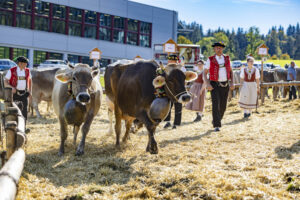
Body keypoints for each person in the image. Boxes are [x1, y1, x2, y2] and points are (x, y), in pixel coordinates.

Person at [203, 41, 234, 132]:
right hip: (214, 84)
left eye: (220, 48)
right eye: (216, 48)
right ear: (214, 49)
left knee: (223, 106)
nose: (218, 49)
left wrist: (232, 82)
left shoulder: (227, 59)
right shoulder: (210, 59)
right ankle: (217, 125)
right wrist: (207, 84)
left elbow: (231, 71)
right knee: (215, 105)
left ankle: (217, 119)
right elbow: (205, 73)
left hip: (225, 84)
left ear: (222, 49)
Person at [4, 56, 32, 132]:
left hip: (24, 93)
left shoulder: (27, 71)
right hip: (14, 94)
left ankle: (23, 128)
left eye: (26, 64)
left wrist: (30, 91)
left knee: (24, 111)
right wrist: (11, 87)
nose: (26, 65)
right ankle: (14, 128)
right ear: (20, 63)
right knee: (15, 111)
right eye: (25, 64)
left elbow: (29, 80)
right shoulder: (11, 70)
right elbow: (5, 81)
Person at [164, 54, 185, 129]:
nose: (170, 61)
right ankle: (167, 121)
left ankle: (176, 123)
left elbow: (184, 77)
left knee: (178, 106)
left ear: (176, 61)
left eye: (173, 60)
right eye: (170, 60)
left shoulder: (181, 68)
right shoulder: (166, 68)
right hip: (169, 90)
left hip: (179, 90)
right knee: (168, 105)